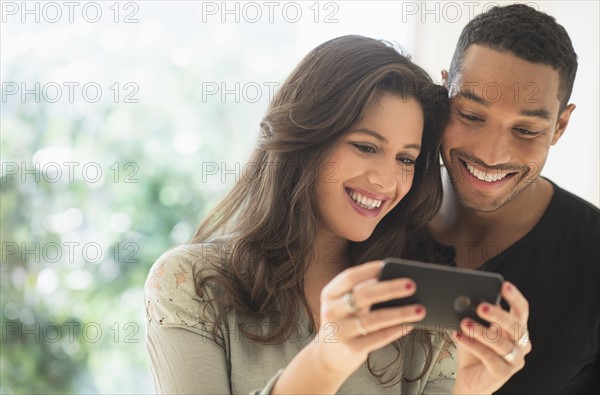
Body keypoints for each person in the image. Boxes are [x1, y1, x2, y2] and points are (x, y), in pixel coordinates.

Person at [144, 35, 530, 394]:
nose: (386, 181)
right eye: (365, 147)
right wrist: (326, 360)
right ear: (306, 139)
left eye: (405, 159)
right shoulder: (192, 283)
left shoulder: (418, 308)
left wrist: (467, 390)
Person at [413, 4, 599, 394]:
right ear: (444, 93)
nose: (492, 154)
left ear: (560, 126)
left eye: (527, 130)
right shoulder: (374, 211)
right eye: (471, 115)